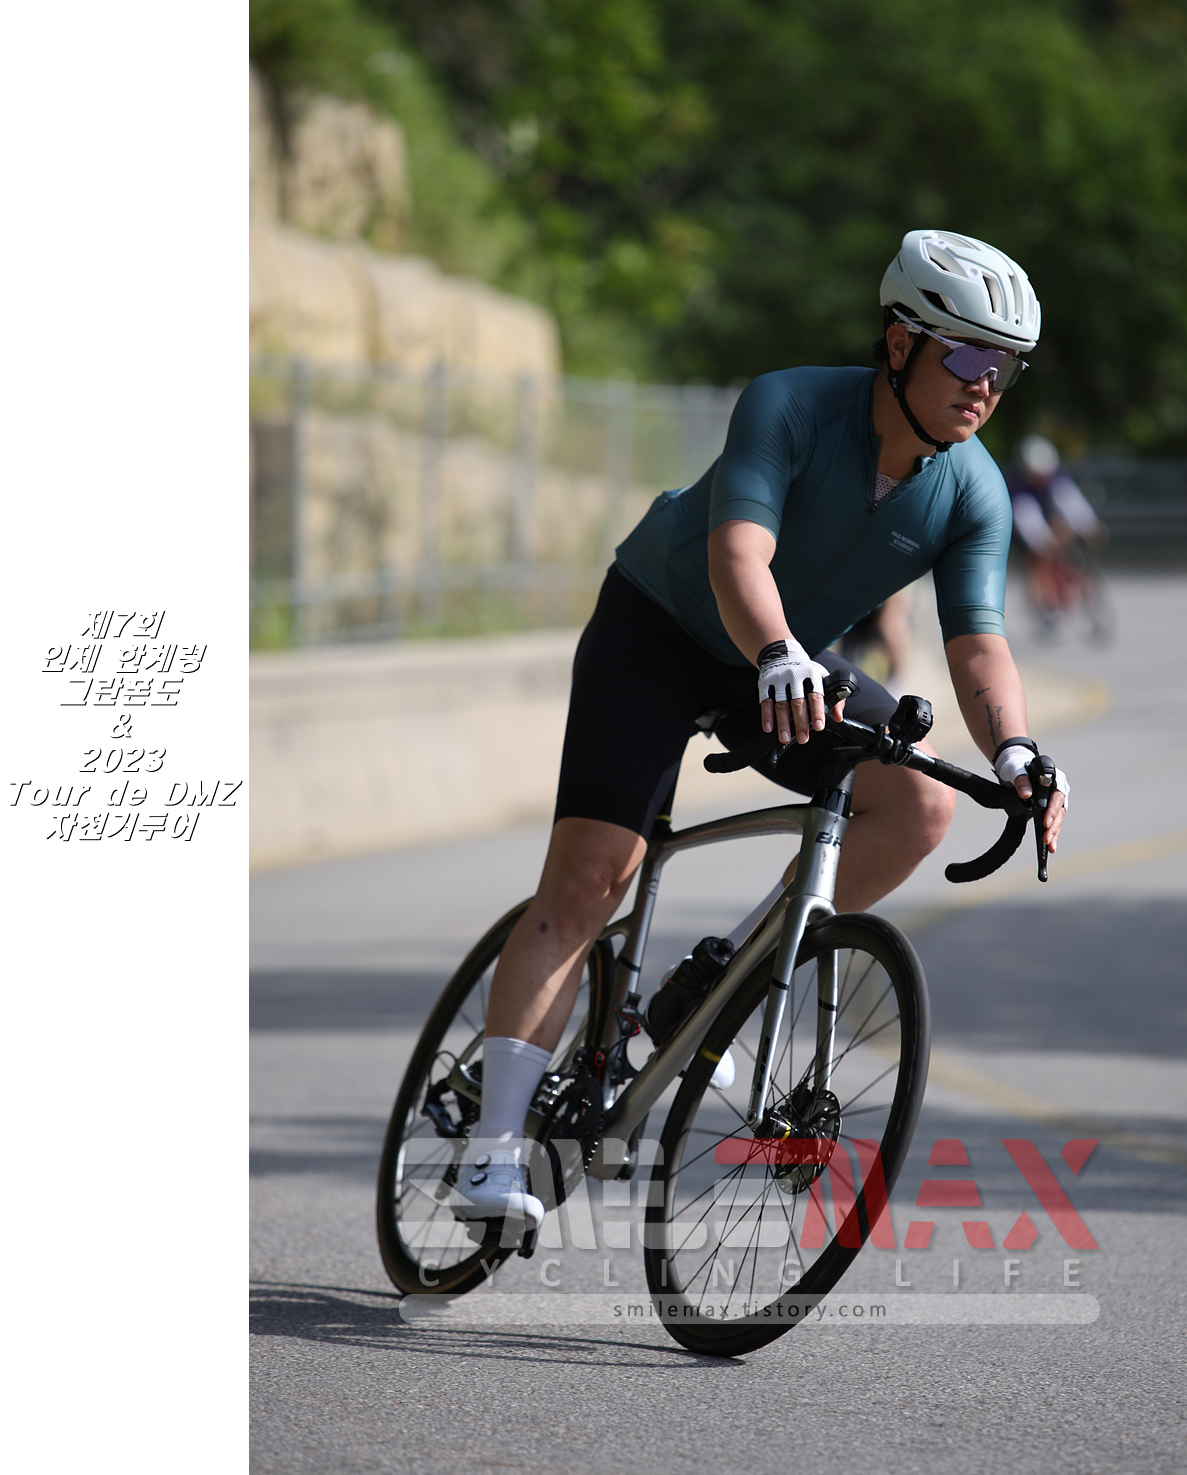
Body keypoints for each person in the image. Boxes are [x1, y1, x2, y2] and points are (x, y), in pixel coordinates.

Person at [455, 229, 1071, 1231]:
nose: (985, 385)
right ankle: (491, 1150)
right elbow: (738, 553)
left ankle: (725, 974)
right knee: (591, 879)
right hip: (663, 627)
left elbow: (978, 640)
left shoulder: (974, 489)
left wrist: (1015, 750)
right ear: (900, 342)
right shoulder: (790, 404)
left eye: (1005, 366)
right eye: (966, 356)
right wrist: (779, 649)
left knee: (919, 805)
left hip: (784, 659)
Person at [1007, 434, 1107, 624]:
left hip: (1050, 516)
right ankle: (1043, 601)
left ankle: (1071, 582)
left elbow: (1073, 503)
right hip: (1026, 523)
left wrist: (1090, 527)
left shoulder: (1057, 477)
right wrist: (1043, 542)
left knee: (1063, 534)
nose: (1043, 478)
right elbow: (1028, 521)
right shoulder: (1019, 490)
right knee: (1039, 558)